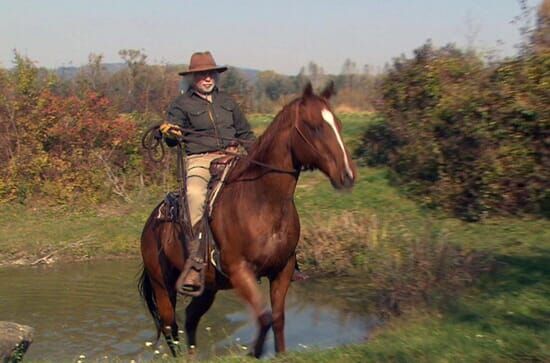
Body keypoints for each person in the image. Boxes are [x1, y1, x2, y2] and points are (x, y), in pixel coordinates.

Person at [159, 51, 255, 294]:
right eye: (202, 74)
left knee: (264, 189)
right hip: (201, 160)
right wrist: (170, 134)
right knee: (193, 194)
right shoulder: (181, 105)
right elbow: (172, 139)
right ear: (193, 78)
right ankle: (196, 260)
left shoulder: (228, 102)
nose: (207, 78)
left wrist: (257, 156)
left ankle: (285, 256)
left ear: (216, 75)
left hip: (233, 157)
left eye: (210, 73)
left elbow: (245, 134)